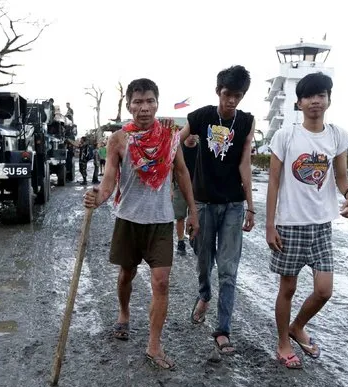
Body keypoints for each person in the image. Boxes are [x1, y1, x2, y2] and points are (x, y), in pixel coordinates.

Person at [83, 78, 198, 370]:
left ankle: (154, 346)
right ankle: (123, 313)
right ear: (129, 105)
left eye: (149, 101)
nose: (144, 108)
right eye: (137, 102)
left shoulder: (171, 136)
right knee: (126, 275)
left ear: (157, 103)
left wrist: (193, 211)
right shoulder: (118, 139)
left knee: (161, 282)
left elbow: (182, 173)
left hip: (160, 222)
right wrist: (98, 197)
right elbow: (110, 179)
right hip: (128, 219)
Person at [265, 72, 348, 369]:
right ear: (298, 102)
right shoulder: (285, 136)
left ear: (329, 99)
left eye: (321, 95)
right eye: (309, 96)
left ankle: (297, 326)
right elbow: (274, 182)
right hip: (289, 224)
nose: (315, 101)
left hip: (321, 226)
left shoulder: (337, 135)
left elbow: (341, 177)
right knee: (288, 288)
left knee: (324, 290)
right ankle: (283, 341)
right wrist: (270, 225)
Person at [179, 65, 256, 355]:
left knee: (228, 269)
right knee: (203, 260)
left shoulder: (246, 122)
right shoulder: (201, 117)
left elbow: (244, 163)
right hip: (202, 203)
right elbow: (177, 143)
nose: (231, 101)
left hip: (233, 205)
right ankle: (204, 295)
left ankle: (223, 330)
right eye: (227, 94)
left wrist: (251, 206)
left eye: (237, 95)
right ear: (217, 92)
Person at [171, 134, 199, 256]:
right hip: (180, 186)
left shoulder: (201, 149)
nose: (192, 137)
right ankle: (181, 241)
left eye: (195, 134)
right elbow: (171, 167)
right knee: (180, 216)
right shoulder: (179, 148)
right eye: (190, 134)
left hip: (197, 187)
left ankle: (194, 238)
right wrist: (171, 187)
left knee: (196, 214)